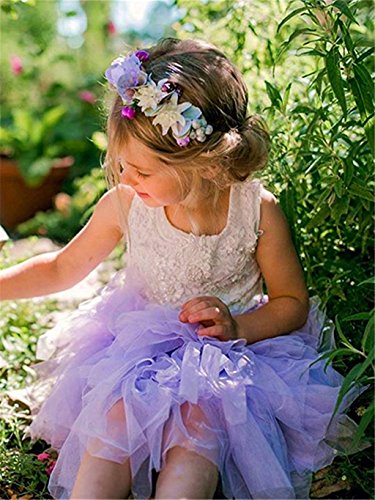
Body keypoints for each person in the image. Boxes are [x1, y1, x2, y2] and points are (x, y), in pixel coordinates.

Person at [0, 38, 359, 500]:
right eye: (122, 166)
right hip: (136, 352)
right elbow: (61, 268)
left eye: (143, 172)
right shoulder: (126, 204)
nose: (128, 179)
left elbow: (291, 302)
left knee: (198, 430)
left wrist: (236, 326)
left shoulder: (256, 211)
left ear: (206, 164)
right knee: (115, 421)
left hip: (226, 361)